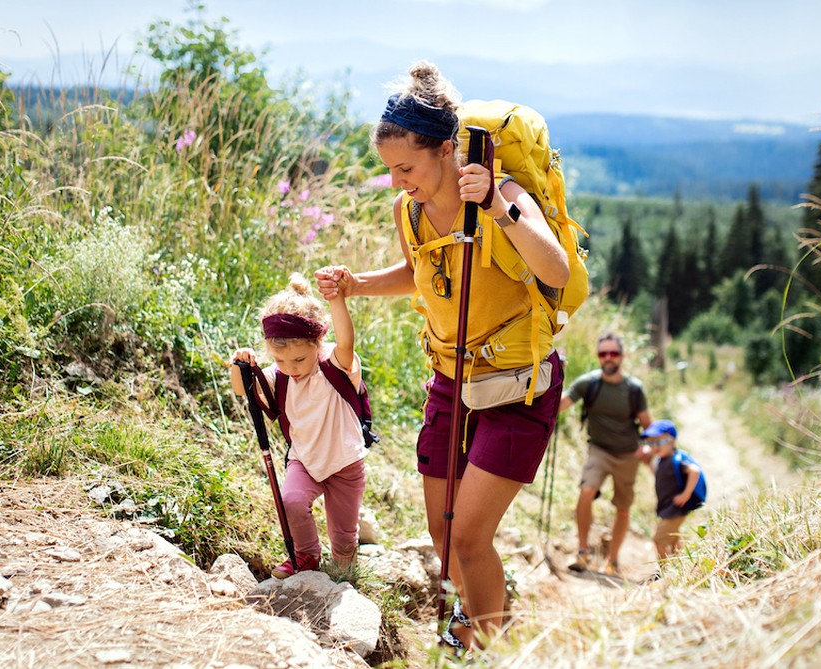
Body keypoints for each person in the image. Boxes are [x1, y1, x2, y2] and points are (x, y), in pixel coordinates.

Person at [315, 60, 569, 649]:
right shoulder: (409, 209)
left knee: (470, 537)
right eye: (390, 170)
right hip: (450, 380)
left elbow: (554, 267)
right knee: (442, 530)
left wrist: (502, 212)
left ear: (447, 150)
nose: (398, 180)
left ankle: (488, 647)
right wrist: (356, 285)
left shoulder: (501, 194)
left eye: (406, 167)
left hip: (517, 384)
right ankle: (469, 632)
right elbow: (418, 272)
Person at [230, 272, 366, 579]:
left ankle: (345, 572)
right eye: (280, 361)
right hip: (304, 458)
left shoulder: (335, 364)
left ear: (318, 344)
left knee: (344, 535)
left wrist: (336, 299)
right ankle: (306, 557)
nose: (291, 369)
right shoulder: (279, 377)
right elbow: (242, 389)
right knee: (291, 500)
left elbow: (346, 339)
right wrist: (239, 364)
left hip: (345, 462)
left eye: (299, 360)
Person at [558, 332, 652, 575]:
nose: (608, 358)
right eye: (603, 354)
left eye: (613, 353)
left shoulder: (634, 389)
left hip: (628, 455)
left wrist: (651, 449)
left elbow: (648, 426)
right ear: (598, 357)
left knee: (622, 508)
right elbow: (561, 404)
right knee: (586, 490)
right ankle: (583, 552)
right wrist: (553, 377)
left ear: (622, 356)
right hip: (599, 450)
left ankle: (613, 560)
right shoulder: (588, 383)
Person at [639, 419, 706, 561]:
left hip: (676, 508)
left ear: (672, 441)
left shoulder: (676, 460)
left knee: (658, 540)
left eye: (659, 442)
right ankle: (680, 564)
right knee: (674, 538)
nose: (655, 447)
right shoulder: (662, 461)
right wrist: (648, 464)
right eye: (651, 443)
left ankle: (665, 569)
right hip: (668, 507)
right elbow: (659, 476)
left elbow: (694, 471)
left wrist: (685, 495)